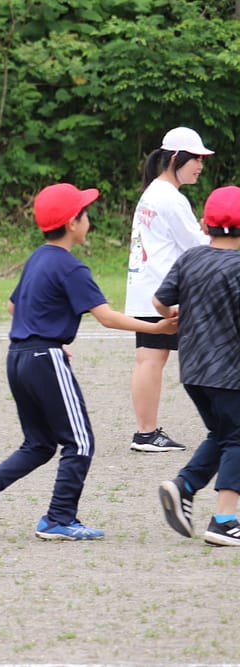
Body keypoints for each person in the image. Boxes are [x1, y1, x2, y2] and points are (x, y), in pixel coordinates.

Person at [0, 183, 177, 541]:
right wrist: (157, 328)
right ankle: (58, 518)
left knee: (40, 444)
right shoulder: (71, 267)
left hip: (18, 356)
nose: (88, 219)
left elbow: (13, 306)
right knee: (81, 442)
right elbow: (106, 317)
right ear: (72, 223)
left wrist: (43, 335)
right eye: (85, 213)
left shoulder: (38, 258)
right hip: (44, 357)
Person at [155, 186, 240, 546]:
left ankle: (184, 485)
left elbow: (160, 300)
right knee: (237, 438)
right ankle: (224, 520)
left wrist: (173, 315)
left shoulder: (191, 258)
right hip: (230, 372)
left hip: (193, 369)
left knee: (222, 433)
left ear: (205, 224)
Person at [125, 126, 213, 452]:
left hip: (144, 287)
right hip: (164, 294)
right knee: (163, 359)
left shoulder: (152, 192)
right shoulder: (171, 199)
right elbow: (197, 246)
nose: (200, 166)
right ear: (176, 158)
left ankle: (145, 433)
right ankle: (148, 433)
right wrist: (218, 234)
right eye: (196, 159)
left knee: (148, 359)